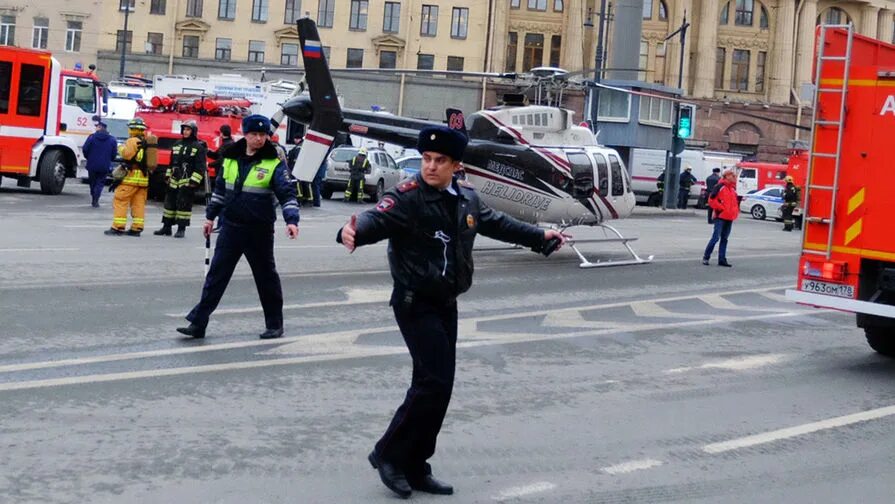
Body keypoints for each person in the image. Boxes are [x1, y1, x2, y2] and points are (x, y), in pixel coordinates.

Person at [338, 125, 568, 499]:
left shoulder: (466, 199)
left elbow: (498, 223)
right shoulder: (408, 197)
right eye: (426, 159)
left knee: (437, 389)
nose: (430, 167)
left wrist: (540, 237)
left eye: (439, 161)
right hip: (414, 302)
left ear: (456, 166)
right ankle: (388, 455)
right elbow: (375, 219)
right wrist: (352, 232)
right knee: (434, 383)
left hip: (446, 302)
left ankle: (415, 464)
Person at [177, 115, 299, 340]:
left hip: (259, 230)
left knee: (266, 278)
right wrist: (210, 218)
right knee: (216, 277)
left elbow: (286, 193)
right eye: (255, 134)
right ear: (245, 134)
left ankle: (274, 324)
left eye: (263, 135)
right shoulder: (231, 158)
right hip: (231, 227)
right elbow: (220, 191)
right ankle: (198, 323)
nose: (260, 139)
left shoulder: (273, 161)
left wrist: (292, 220)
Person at [154, 120, 207, 238]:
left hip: (187, 181)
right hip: (173, 180)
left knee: (184, 206)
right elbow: (171, 162)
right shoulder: (177, 144)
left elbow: (201, 166)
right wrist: (167, 175)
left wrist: (194, 181)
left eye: (188, 129)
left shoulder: (198, 147)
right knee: (169, 204)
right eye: (184, 129)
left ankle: (181, 229)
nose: (185, 131)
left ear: (193, 131)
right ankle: (166, 227)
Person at [105, 118, 156, 237]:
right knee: (138, 204)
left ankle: (118, 227)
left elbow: (127, 155)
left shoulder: (132, 141)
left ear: (133, 129)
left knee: (120, 201)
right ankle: (137, 228)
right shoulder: (146, 141)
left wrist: (121, 148)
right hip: (143, 180)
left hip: (130, 178)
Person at [703, 168, 738, 267]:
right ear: (726, 176)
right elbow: (711, 200)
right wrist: (721, 209)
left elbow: (734, 203)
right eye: (732, 175)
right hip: (721, 216)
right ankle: (706, 257)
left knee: (724, 239)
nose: (734, 177)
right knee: (715, 238)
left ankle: (722, 259)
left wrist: (734, 212)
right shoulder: (720, 186)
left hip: (729, 217)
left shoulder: (732, 189)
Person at [82, 120, 117, 208]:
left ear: (100, 127)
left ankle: (94, 196)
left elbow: (85, 149)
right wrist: (110, 160)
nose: (96, 127)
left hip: (92, 165)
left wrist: (88, 158)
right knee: (100, 183)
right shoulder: (112, 139)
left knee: (92, 182)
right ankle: (96, 199)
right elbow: (114, 153)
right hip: (104, 166)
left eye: (97, 126)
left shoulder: (91, 137)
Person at [286, 135, 315, 206]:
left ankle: (300, 199)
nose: (295, 140)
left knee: (298, 183)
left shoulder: (298, 148)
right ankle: (308, 199)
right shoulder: (302, 147)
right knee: (305, 184)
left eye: (296, 139)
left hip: (298, 168)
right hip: (305, 168)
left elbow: (295, 160)